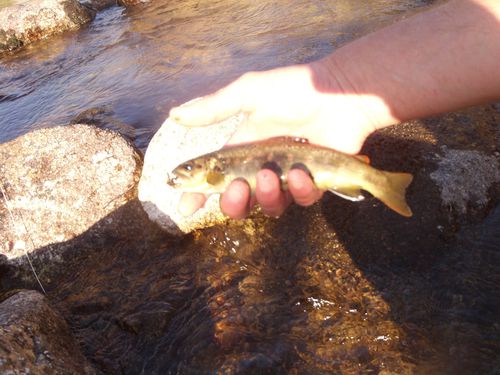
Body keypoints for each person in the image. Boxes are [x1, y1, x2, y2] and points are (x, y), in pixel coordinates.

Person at [169, 0, 500, 219]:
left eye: (188, 170)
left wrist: (343, 84)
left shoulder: (216, 168)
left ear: (207, 167)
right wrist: (343, 85)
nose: (182, 175)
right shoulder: (217, 168)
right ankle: (379, 181)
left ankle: (380, 182)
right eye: (186, 170)